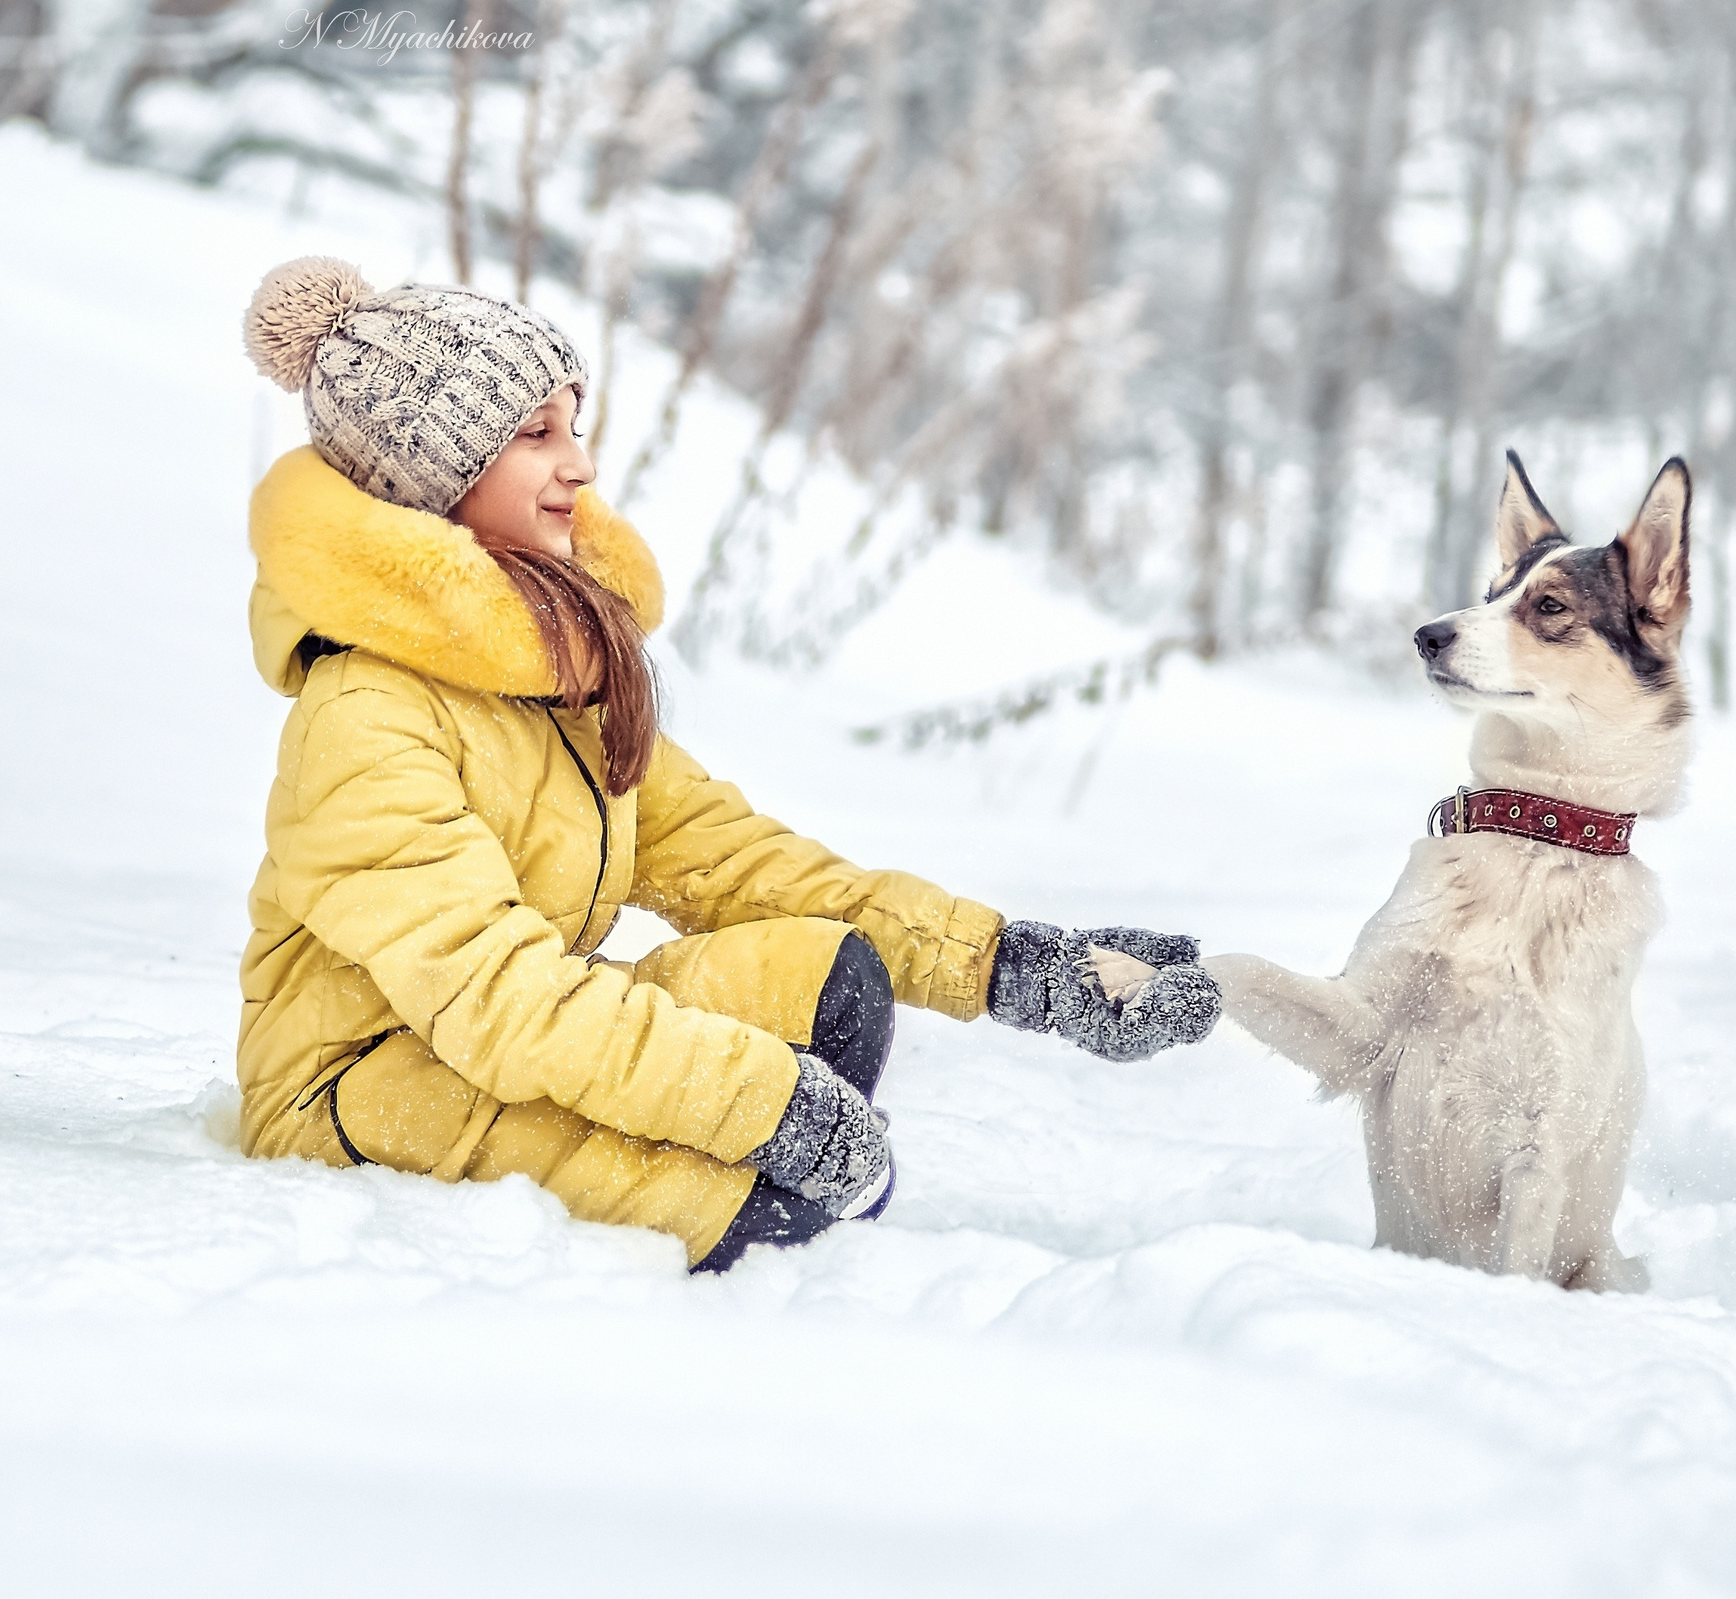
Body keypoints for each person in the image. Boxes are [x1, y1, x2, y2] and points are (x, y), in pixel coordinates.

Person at [235, 257, 1219, 1271]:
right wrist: (760, 1104)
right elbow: (499, 998)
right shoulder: (367, 718)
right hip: (358, 1093)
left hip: (485, 1047)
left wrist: (1014, 966)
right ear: (425, 480)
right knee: (765, 1215)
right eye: (535, 436)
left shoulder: (543, 681)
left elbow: (743, 867)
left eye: (574, 428)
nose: (578, 466)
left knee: (833, 975)